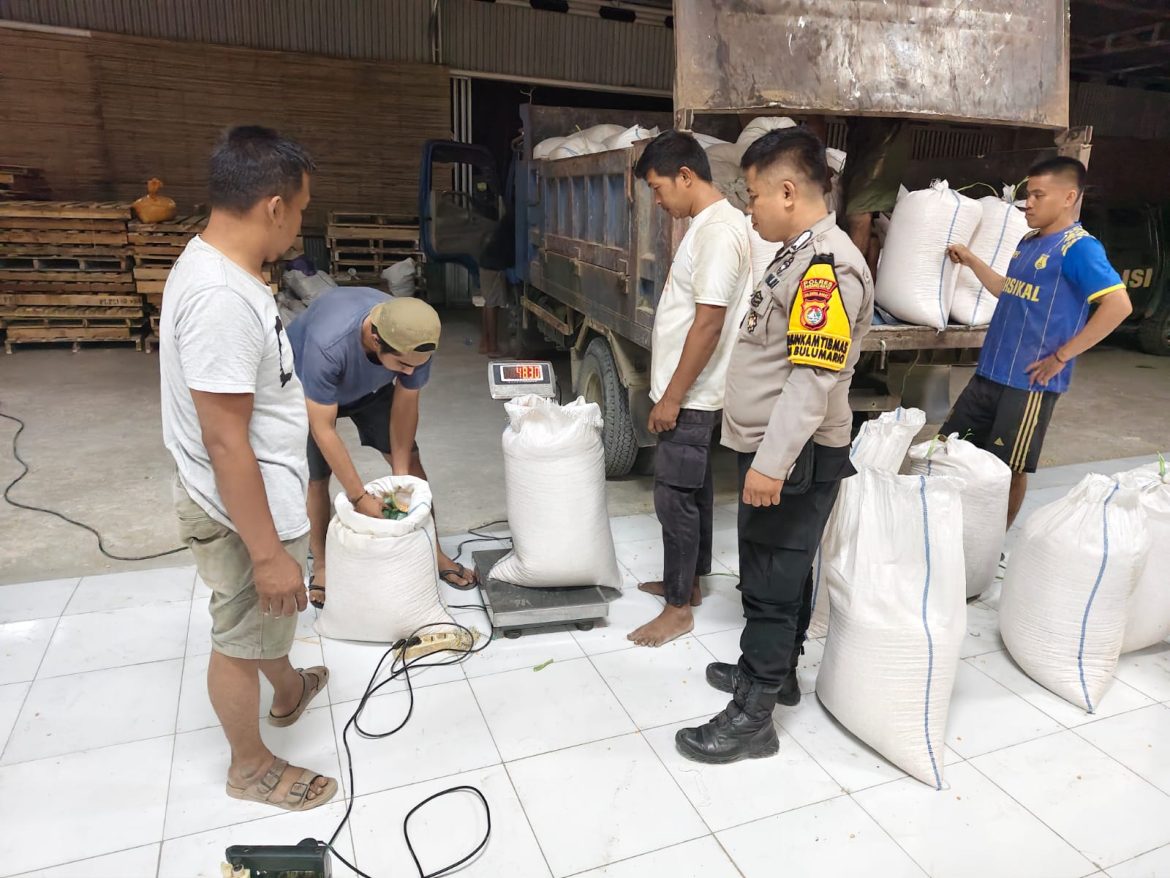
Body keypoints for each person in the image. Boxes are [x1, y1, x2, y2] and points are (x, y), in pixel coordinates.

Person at [675, 127, 874, 763]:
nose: (750, 207)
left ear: (788, 192)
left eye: (754, 195)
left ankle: (753, 717)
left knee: (769, 580)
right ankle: (776, 673)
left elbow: (813, 380)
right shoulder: (799, 253)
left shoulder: (827, 268)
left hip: (791, 455)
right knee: (779, 570)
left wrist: (770, 464)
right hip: (777, 450)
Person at [160, 126, 336, 810]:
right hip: (240, 509)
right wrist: (267, 553)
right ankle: (251, 767)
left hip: (251, 497)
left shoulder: (217, 267)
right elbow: (226, 441)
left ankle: (288, 690)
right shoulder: (222, 300)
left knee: (266, 617)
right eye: (301, 210)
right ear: (273, 206)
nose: (299, 226)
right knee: (240, 634)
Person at [944, 156, 1132, 528]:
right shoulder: (1029, 241)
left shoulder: (1079, 248)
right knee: (951, 449)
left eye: (1037, 195)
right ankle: (954, 533)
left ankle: (991, 547)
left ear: (1068, 197)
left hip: (1028, 383)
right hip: (989, 372)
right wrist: (970, 260)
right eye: (1027, 195)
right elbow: (1008, 289)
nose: (1027, 203)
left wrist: (1062, 356)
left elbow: (1119, 305)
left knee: (1008, 468)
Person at [626, 130, 754, 648]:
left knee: (674, 498)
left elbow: (709, 323)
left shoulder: (718, 231)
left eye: (658, 188)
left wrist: (672, 397)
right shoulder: (710, 225)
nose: (657, 201)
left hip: (694, 394)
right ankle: (690, 583)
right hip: (694, 390)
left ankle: (677, 610)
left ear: (685, 176)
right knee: (693, 490)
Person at [285, 288, 477, 606]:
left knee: (412, 466)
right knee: (315, 476)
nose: (410, 372)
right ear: (375, 340)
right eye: (402, 364)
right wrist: (359, 498)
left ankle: (434, 552)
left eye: (416, 365)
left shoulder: (414, 342)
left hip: (369, 390)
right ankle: (321, 564)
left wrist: (401, 479)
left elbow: (405, 404)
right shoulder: (328, 346)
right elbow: (323, 428)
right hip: (308, 389)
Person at [836, 117, 912, 276]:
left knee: (859, 215)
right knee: (864, 219)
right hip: (863, 139)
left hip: (883, 141)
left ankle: (850, 278)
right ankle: (869, 281)